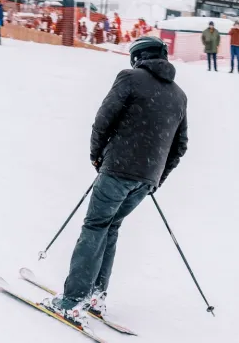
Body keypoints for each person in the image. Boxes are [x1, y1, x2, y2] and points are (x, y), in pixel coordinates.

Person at [45, 36, 188, 323]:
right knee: (110, 227)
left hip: (118, 170)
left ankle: (73, 301)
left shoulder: (130, 78)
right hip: (146, 178)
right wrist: (157, 178)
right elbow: (180, 145)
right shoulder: (179, 95)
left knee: (96, 226)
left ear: (138, 57)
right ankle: (96, 296)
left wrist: (97, 156)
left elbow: (103, 120)